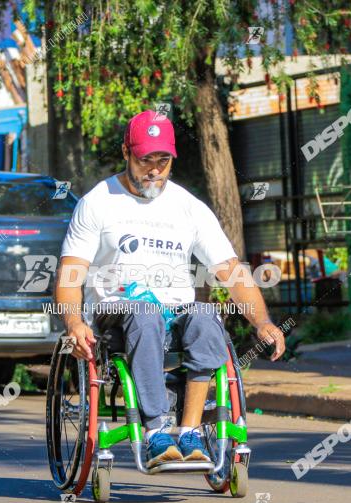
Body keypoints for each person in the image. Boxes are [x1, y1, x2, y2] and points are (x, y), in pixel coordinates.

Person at [55, 110, 285, 468]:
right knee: (144, 314)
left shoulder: (189, 208)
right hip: (116, 311)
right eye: (146, 159)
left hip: (174, 311)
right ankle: (156, 431)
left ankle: (190, 432)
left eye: (163, 161)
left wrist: (262, 323)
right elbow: (71, 274)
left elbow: (232, 272)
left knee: (206, 314)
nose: (155, 169)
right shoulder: (97, 202)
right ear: (126, 153)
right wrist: (73, 324)